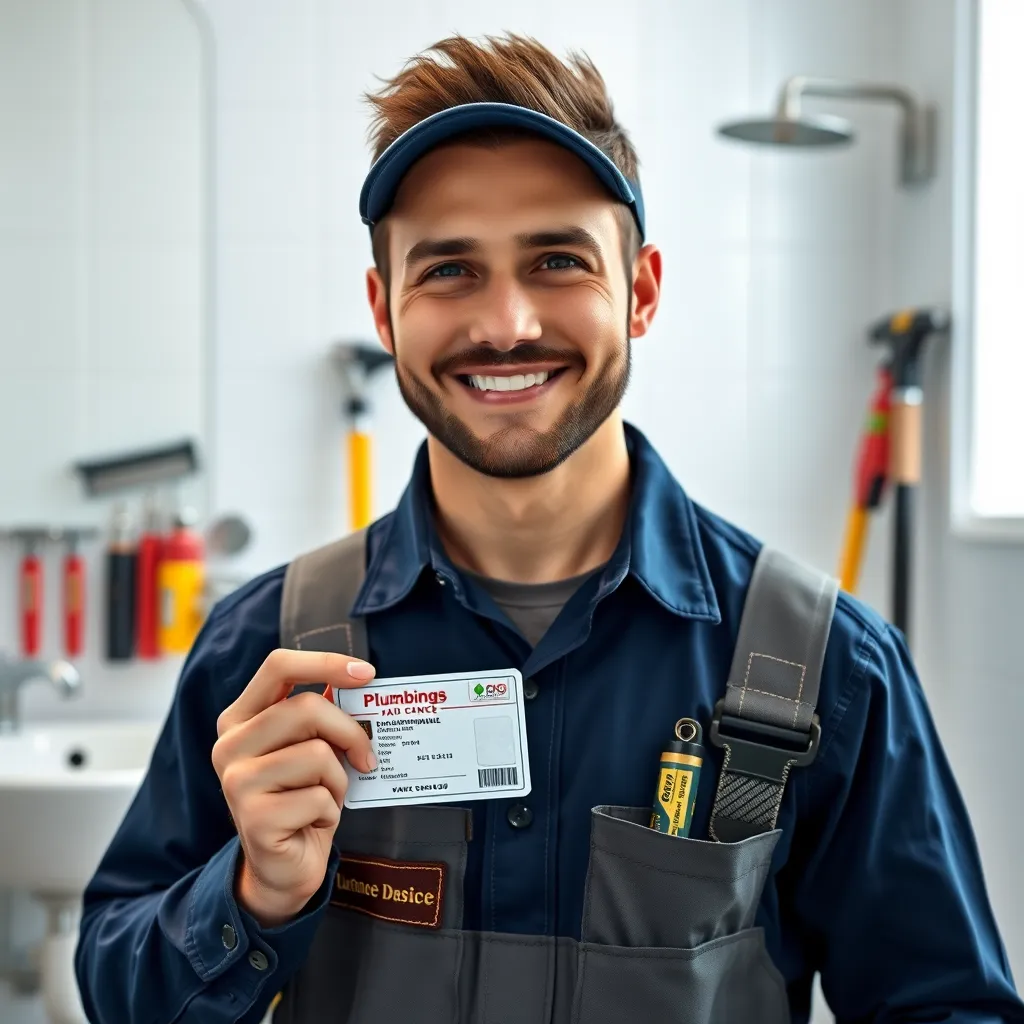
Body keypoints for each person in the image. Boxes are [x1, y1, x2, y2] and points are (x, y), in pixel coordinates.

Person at [76, 32, 1022, 1024]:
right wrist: (248, 897)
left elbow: (946, 1007)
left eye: (558, 259)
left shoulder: (828, 665)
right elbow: (115, 983)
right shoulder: (265, 651)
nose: (508, 323)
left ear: (642, 292)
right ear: (385, 311)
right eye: (448, 271)